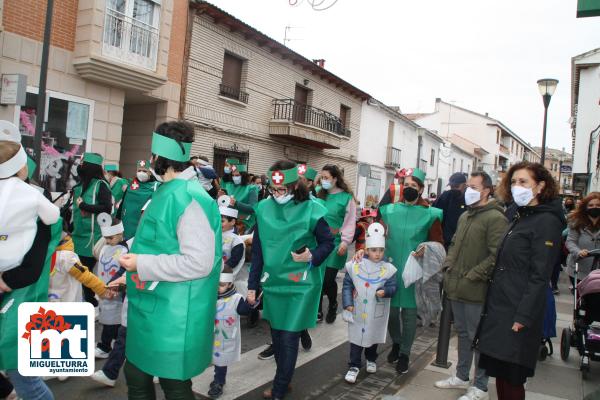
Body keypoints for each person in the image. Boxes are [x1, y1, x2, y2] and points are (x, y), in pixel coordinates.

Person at [118, 121, 222, 399]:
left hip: (174, 312)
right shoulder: (166, 190)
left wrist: (140, 264)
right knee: (136, 374)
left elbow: (200, 263)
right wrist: (131, 267)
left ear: (159, 158)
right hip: (152, 302)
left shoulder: (189, 197)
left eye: (151, 156)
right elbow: (157, 243)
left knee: (173, 384)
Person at [476, 162, 565, 400]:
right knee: (502, 374)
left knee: (513, 376)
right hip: (501, 305)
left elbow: (540, 275)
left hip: (517, 311)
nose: (517, 187)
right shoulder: (520, 215)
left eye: (524, 182)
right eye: (514, 182)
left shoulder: (546, 221)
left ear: (540, 186)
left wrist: (523, 316)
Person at [247, 161, 334, 400]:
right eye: (273, 190)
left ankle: (279, 387)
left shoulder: (312, 208)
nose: (277, 195)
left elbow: (328, 242)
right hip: (274, 282)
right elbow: (258, 252)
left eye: (283, 190)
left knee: (288, 337)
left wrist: (313, 255)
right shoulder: (263, 209)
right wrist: (253, 286)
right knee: (277, 335)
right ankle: (283, 381)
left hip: (301, 282)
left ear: (296, 185)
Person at [434, 172, 507, 400]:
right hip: (456, 286)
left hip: (476, 289)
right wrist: (447, 266)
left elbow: (497, 255)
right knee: (463, 334)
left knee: (478, 338)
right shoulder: (466, 216)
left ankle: (480, 386)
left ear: (486, 190)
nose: (469, 190)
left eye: (474, 186)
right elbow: (454, 245)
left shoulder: (496, 218)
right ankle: (461, 376)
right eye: (468, 186)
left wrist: (474, 275)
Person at [374, 167, 443, 374]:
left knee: (410, 315)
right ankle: (396, 342)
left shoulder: (431, 214)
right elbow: (376, 236)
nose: (409, 189)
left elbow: (438, 244)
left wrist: (427, 248)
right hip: (391, 269)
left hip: (414, 272)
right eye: (406, 185)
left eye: (414, 186)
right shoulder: (388, 210)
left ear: (421, 189)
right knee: (392, 313)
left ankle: (405, 353)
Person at [0, 125, 60, 300]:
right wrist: (10, 280)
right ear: (22, 167)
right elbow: (50, 222)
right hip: (18, 284)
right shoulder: (35, 195)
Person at [342, 223, 397, 384]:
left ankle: (371, 358)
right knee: (356, 339)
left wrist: (386, 291)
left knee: (372, 336)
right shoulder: (356, 265)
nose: (378, 254)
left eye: (381, 250)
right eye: (374, 250)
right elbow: (347, 284)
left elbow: (393, 286)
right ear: (366, 250)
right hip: (358, 309)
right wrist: (347, 303)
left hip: (375, 311)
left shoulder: (388, 268)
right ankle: (354, 365)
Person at [208, 266, 258, 399]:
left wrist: (249, 303)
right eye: (217, 284)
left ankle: (219, 382)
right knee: (213, 357)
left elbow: (243, 311)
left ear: (230, 284)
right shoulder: (211, 296)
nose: (219, 288)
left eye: (222, 285)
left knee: (221, 359)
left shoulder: (236, 299)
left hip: (226, 337)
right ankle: (217, 378)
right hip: (212, 335)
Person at [317, 164, 357, 323]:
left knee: (327, 279)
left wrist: (345, 242)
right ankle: (317, 310)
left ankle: (333, 304)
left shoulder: (347, 198)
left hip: (336, 244)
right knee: (318, 277)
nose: (323, 180)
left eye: (326, 178)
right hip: (318, 242)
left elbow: (350, 221)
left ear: (335, 179)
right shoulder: (319, 195)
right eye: (322, 177)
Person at [72, 152, 112, 307]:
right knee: (80, 273)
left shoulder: (100, 185)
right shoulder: (79, 186)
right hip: (78, 235)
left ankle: (91, 302)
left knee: (85, 274)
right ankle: (87, 301)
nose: (79, 166)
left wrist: (84, 206)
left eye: (82, 164)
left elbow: (106, 207)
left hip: (92, 238)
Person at [93, 214, 128, 359]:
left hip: (116, 292)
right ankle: (109, 343)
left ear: (120, 234)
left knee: (115, 320)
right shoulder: (104, 248)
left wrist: (115, 287)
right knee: (107, 319)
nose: (107, 241)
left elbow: (124, 272)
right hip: (103, 290)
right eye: (106, 238)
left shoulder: (125, 251)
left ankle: (105, 346)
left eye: (110, 238)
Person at [116, 159, 160, 240]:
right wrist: (118, 219)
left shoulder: (156, 187)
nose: (141, 173)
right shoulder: (131, 185)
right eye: (139, 170)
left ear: (149, 173)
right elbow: (123, 204)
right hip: (127, 224)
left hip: (143, 223)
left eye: (144, 171)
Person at [566, 192, 600, 287]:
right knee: (580, 298)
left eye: (598, 205)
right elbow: (570, 241)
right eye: (591, 205)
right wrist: (578, 251)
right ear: (585, 207)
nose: (595, 207)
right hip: (579, 269)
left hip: (598, 272)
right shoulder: (576, 222)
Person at [433, 172, 468, 250]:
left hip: (462, 244)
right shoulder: (444, 197)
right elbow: (434, 216)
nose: (454, 189)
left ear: (464, 185)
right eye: (452, 186)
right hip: (444, 242)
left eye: (456, 186)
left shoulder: (469, 199)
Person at [221, 163, 258, 233]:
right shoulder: (228, 186)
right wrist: (220, 198)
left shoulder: (251, 188)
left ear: (243, 176)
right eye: (233, 175)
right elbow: (224, 204)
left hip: (244, 223)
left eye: (237, 175)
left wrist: (236, 203)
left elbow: (253, 208)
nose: (235, 177)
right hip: (228, 222)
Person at [220, 206, 245, 277]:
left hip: (227, 277)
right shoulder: (215, 234)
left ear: (232, 222)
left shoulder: (237, 241)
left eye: (222, 221)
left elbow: (234, 260)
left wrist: (221, 269)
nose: (218, 223)